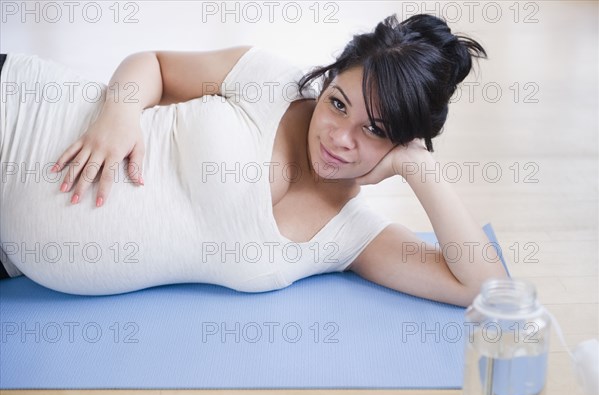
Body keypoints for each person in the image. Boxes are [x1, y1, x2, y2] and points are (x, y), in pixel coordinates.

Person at [0, 14, 507, 306]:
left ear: (403, 141)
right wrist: (120, 111)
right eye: (337, 102)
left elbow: (484, 289)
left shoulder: (351, 236)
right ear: (329, 79)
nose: (338, 137)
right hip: (19, 113)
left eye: (374, 131)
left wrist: (419, 168)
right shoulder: (269, 79)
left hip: (11, 257)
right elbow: (152, 64)